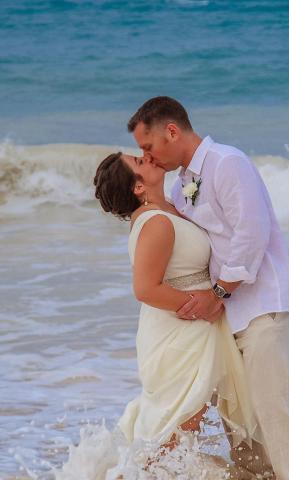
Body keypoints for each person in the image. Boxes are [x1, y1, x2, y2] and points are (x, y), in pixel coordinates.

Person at [127, 96, 289, 480]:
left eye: (150, 144)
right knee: (241, 417)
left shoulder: (228, 163)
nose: (149, 155)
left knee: (274, 409)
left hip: (260, 305)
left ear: (172, 131)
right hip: (227, 315)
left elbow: (250, 235)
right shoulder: (180, 186)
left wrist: (218, 294)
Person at [93, 152, 257, 455]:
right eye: (139, 163)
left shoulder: (168, 208)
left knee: (189, 417)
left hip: (194, 326)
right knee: (182, 421)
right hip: (180, 328)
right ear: (138, 187)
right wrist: (205, 304)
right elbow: (144, 289)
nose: (147, 157)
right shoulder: (155, 221)